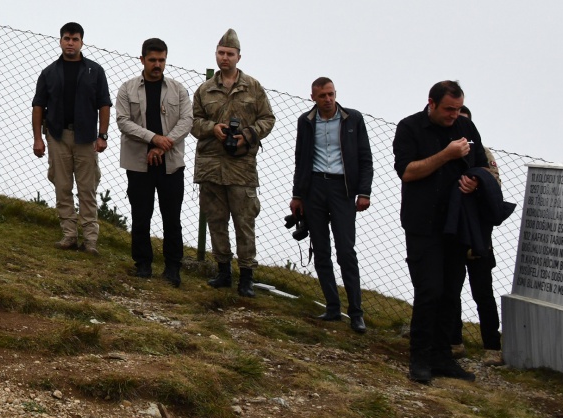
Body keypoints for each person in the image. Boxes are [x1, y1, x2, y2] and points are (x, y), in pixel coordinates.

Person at [392, 80, 489, 384]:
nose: (454, 115)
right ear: (431, 103)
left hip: (456, 224)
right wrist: (446, 155)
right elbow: (407, 171)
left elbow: (482, 167)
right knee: (429, 290)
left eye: (458, 109)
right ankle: (420, 359)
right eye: (449, 109)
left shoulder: (466, 128)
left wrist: (475, 181)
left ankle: (444, 358)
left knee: (450, 292)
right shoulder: (410, 128)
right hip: (423, 224)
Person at [190, 29, 275, 297]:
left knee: (244, 222)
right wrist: (212, 128)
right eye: (221, 53)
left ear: (239, 56)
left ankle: (246, 276)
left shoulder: (253, 87)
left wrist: (247, 135)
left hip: (241, 167)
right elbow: (192, 121)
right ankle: (223, 271)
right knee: (216, 221)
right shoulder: (204, 90)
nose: (224, 58)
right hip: (211, 164)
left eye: (230, 54)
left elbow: (268, 119)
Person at [289, 77, 373, 333]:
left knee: (346, 251)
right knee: (321, 250)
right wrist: (298, 194)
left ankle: (356, 313)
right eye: (322, 95)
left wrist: (364, 192)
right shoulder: (306, 121)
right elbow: (300, 158)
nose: (328, 99)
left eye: (331, 94)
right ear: (313, 97)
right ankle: (332, 307)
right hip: (314, 187)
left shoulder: (353, 119)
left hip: (342, 189)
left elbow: (365, 157)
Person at [115, 38, 193, 285]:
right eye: (152, 60)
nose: (158, 65)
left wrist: (163, 144)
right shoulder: (127, 89)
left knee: (172, 217)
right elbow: (123, 122)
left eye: (162, 60)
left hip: (170, 164)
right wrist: (153, 139)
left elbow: (187, 121)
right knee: (141, 214)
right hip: (138, 164)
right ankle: (143, 264)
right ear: (142, 60)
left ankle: (172, 268)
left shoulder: (178, 90)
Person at [32, 23, 111, 250]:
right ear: (60, 41)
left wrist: (102, 135)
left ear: (82, 42)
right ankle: (69, 235)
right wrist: (38, 138)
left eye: (75, 39)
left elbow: (104, 104)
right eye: (66, 38)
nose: (70, 43)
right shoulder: (49, 73)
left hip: (86, 138)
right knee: (62, 186)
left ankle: (90, 239)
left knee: (87, 189)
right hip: (57, 136)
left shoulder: (94, 71)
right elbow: (38, 106)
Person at [450, 105, 503, 353]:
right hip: (452, 231)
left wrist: (476, 183)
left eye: (464, 121)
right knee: (450, 289)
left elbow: (495, 185)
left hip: (479, 233)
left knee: (483, 291)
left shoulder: (482, 153)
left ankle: (492, 346)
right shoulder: (444, 149)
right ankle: (454, 341)